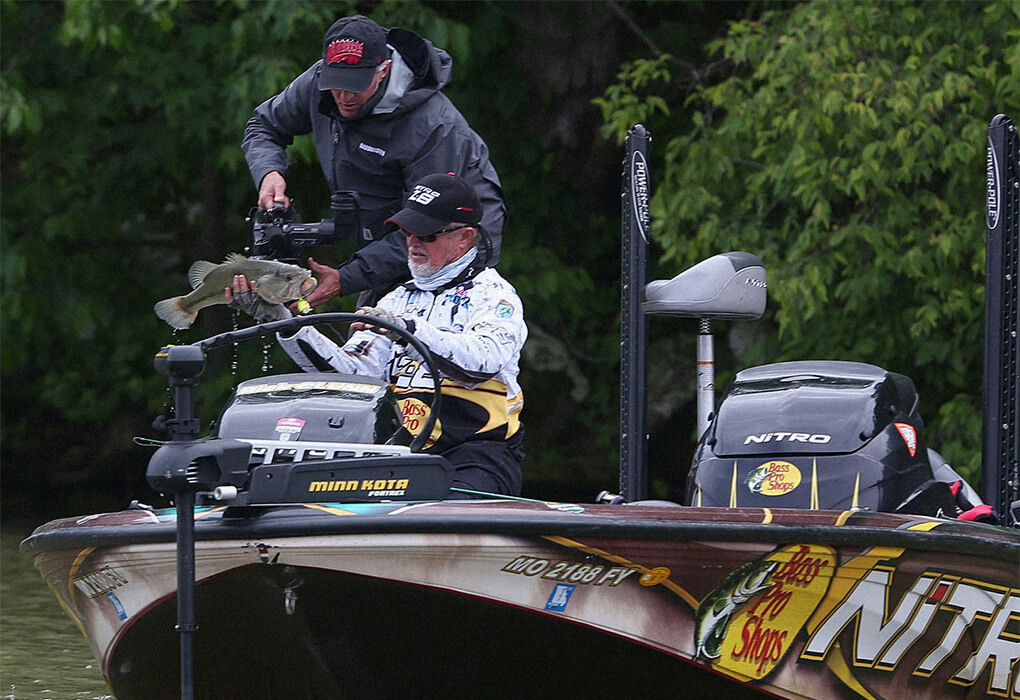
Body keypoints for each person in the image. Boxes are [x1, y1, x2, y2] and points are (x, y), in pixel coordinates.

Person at [227, 174, 526, 496]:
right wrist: (285, 321)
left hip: (475, 457)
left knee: (440, 507)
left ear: (465, 237)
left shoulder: (496, 297)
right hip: (397, 454)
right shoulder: (395, 298)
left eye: (425, 234)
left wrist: (405, 329)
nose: (412, 242)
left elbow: (481, 363)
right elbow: (355, 377)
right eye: (407, 231)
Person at [242, 14, 506, 307]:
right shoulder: (319, 82)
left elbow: (426, 227)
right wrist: (269, 173)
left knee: (404, 336)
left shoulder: (434, 126)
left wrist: (347, 277)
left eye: (355, 85)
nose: (343, 96)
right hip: (387, 233)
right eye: (335, 83)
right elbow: (263, 125)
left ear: (384, 70)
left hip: (448, 241)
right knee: (366, 336)